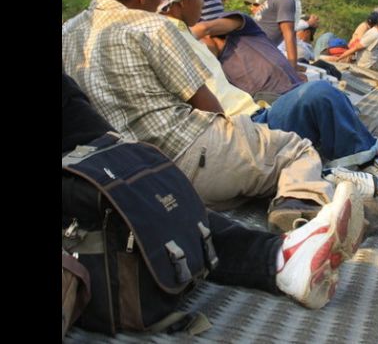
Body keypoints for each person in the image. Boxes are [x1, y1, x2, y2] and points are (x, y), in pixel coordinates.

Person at [61, 0, 375, 235]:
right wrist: (241, 138)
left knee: (257, 159)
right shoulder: (153, 27)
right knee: (296, 149)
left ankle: (298, 189)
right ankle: (300, 207)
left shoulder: (68, 32)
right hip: (188, 154)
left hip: (130, 174)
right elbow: (208, 108)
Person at [62, 70, 362, 310]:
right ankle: (297, 214)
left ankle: (282, 253)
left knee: (118, 181)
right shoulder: (152, 28)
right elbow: (212, 110)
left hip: (139, 160)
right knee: (298, 140)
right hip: (180, 152)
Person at [157, 0, 378, 203]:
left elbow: (209, 28)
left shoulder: (231, 29)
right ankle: (370, 160)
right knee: (321, 95)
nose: (203, 2)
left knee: (324, 98)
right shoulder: (173, 40)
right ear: (182, 1)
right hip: (247, 126)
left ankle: (371, 158)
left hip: (261, 111)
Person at [249, 0, 305, 72]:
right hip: (254, 53)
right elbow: (289, 33)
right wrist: (292, 70)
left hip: (255, 50)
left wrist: (292, 65)